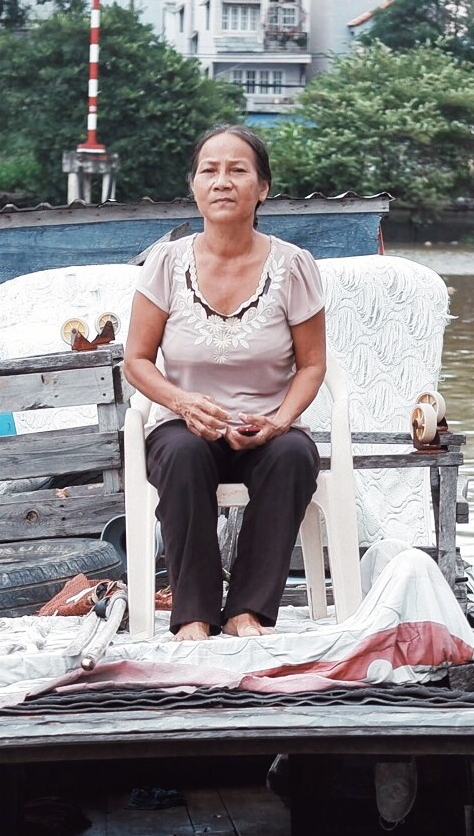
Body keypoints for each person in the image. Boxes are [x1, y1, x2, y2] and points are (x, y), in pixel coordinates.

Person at [123, 125, 329, 640]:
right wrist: (183, 402)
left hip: (266, 427)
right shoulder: (166, 264)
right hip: (184, 424)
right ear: (193, 185)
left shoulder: (293, 265)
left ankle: (249, 610)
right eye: (209, 170)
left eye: (238, 170)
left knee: (294, 457)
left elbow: (312, 365)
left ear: (262, 188)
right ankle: (194, 613)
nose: (222, 182)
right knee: (182, 454)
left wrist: (280, 421)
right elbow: (137, 359)